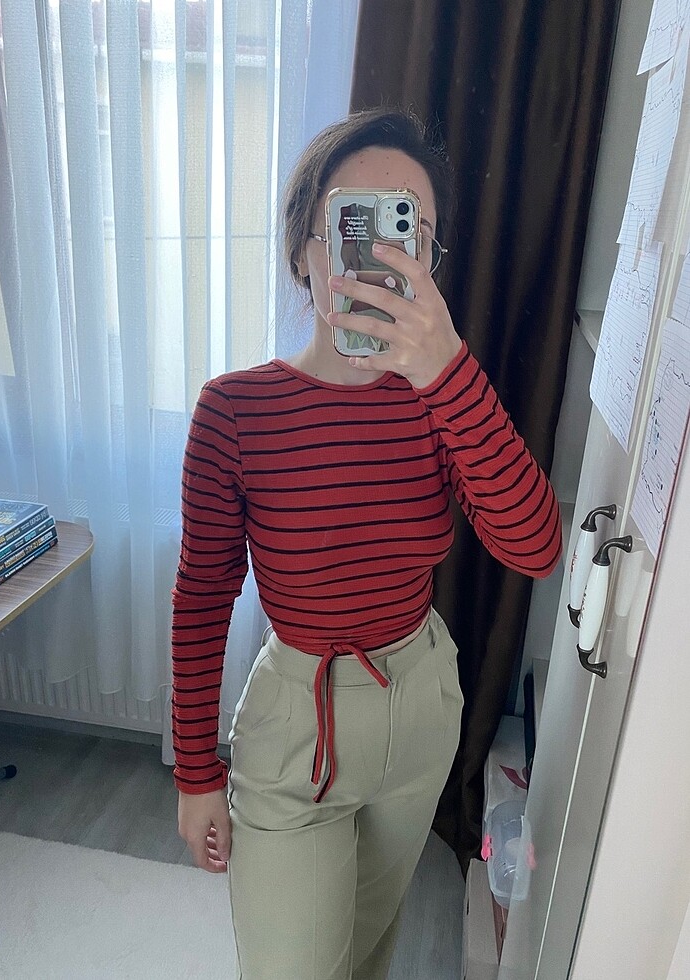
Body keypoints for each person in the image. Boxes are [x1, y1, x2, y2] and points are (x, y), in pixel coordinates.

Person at [171, 107, 562, 980]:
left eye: (407, 234)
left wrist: (447, 370)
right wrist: (196, 771)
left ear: (429, 264)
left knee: (365, 954)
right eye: (357, 225)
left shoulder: (443, 399)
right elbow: (202, 597)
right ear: (305, 250)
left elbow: (536, 547)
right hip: (296, 723)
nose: (380, 258)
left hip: (419, 703)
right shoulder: (234, 411)